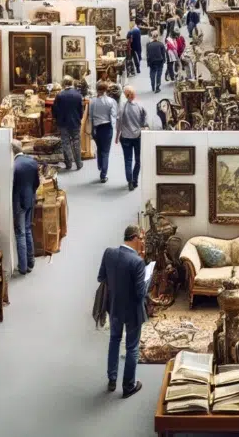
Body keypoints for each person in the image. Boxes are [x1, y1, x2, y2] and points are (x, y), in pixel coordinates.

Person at [98, 225, 148, 399]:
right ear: (134, 238)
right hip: (132, 310)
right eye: (141, 238)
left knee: (114, 339)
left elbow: (101, 278)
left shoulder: (109, 253)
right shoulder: (138, 262)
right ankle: (128, 386)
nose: (142, 242)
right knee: (132, 347)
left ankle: (112, 380)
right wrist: (146, 281)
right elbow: (141, 293)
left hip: (114, 307)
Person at [12, 140, 40, 275]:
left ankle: (23, 267)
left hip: (18, 203)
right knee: (28, 230)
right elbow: (37, 183)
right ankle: (31, 261)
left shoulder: (14, 166)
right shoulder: (32, 162)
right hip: (30, 199)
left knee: (20, 233)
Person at [116, 86, 146, 190]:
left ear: (125, 95)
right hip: (138, 136)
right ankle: (135, 180)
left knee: (128, 160)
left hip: (125, 137)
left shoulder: (122, 107)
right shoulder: (140, 105)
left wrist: (117, 136)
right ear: (134, 94)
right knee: (138, 160)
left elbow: (119, 123)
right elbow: (144, 120)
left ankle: (129, 181)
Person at [52, 77, 84, 170]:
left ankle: (69, 163)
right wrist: (79, 118)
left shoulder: (59, 95)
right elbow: (80, 110)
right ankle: (78, 163)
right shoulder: (78, 95)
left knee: (65, 142)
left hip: (63, 122)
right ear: (72, 83)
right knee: (76, 142)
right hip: (75, 122)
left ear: (63, 84)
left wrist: (56, 118)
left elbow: (55, 109)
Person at [90, 81, 118, 183]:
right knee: (106, 151)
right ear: (106, 90)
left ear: (97, 90)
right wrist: (113, 127)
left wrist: (92, 129)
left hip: (97, 128)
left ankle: (100, 165)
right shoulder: (111, 101)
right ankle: (103, 175)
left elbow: (91, 117)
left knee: (99, 148)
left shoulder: (92, 101)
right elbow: (114, 115)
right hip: (107, 127)